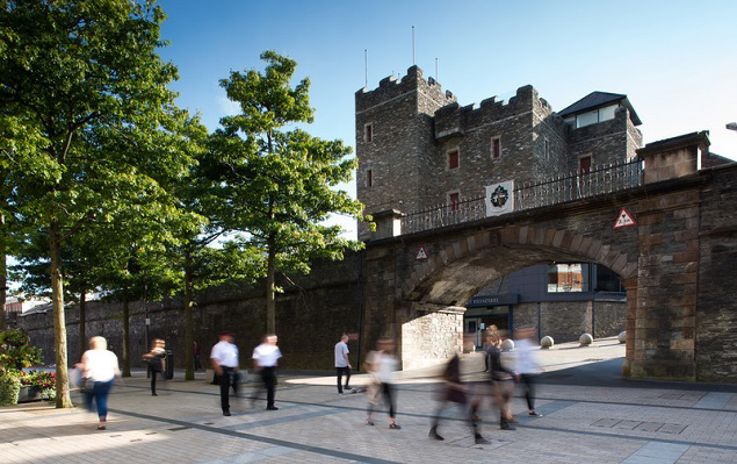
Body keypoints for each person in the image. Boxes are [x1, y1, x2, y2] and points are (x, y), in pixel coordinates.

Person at [429, 338, 489, 445]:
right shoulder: (456, 360)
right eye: (470, 344)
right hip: (454, 392)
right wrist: (460, 387)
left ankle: (433, 430)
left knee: (444, 412)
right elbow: (446, 378)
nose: (472, 346)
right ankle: (477, 437)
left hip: (456, 392)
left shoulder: (463, 359)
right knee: (466, 414)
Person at [80, 336, 121, 430]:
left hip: (92, 380)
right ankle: (102, 422)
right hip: (107, 380)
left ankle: (90, 410)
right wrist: (119, 380)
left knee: (88, 399)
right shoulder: (111, 354)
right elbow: (116, 370)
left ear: (92, 344)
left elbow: (86, 368)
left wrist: (81, 372)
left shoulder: (88, 353)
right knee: (102, 400)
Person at [365, 337, 401, 429]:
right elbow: (369, 367)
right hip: (378, 382)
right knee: (374, 401)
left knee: (390, 403)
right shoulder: (377, 355)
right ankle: (369, 418)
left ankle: (392, 423)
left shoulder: (392, 356)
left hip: (388, 383)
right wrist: (373, 376)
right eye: (387, 344)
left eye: (390, 344)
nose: (389, 346)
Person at [487, 332, 518, 430]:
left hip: (496, 379)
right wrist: (513, 373)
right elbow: (501, 366)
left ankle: (507, 419)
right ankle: (504, 422)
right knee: (504, 402)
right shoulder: (496, 352)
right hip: (499, 380)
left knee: (504, 402)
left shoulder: (491, 350)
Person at [514, 327, 543, 417]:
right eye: (526, 332)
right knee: (528, 391)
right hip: (522, 372)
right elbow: (516, 359)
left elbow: (529, 358)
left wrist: (537, 366)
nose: (530, 333)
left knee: (530, 391)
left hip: (529, 371)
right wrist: (517, 372)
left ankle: (531, 409)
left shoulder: (528, 343)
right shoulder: (518, 344)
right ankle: (531, 409)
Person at [210, 332, 239, 416]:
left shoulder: (233, 346)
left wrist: (236, 367)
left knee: (236, 386)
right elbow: (214, 359)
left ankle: (234, 397)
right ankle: (225, 408)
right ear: (223, 337)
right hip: (223, 369)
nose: (230, 338)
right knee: (224, 390)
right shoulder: (218, 347)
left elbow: (235, 357)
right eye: (228, 336)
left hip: (232, 369)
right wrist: (218, 370)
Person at [252, 334, 282, 411]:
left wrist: (275, 367)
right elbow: (256, 359)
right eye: (272, 340)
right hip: (263, 369)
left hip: (271, 369)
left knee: (271, 387)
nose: (274, 341)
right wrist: (257, 368)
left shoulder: (275, 348)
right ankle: (255, 397)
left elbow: (276, 359)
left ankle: (270, 405)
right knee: (262, 387)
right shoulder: (259, 348)